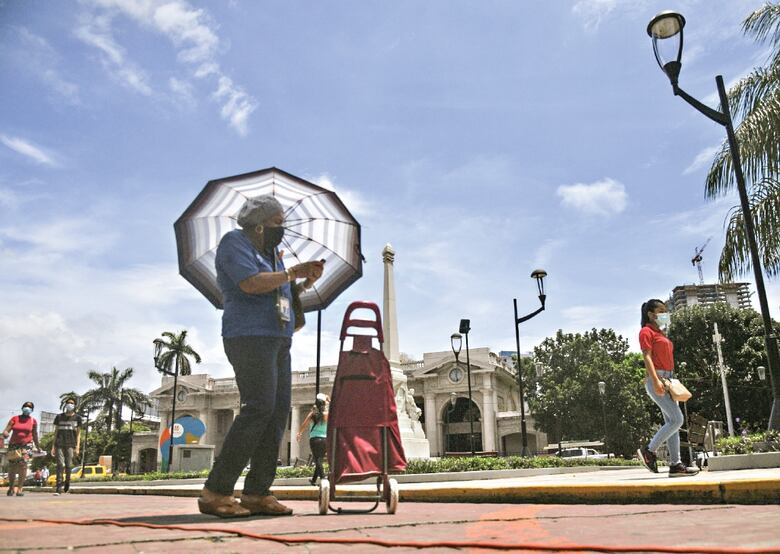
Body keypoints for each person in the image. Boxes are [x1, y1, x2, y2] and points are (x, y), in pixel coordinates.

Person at [198, 195, 324, 518]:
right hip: (249, 336)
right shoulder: (235, 243)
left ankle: (257, 491)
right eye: (277, 223)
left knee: (278, 413)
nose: (282, 229)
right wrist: (292, 272)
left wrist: (302, 284)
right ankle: (216, 490)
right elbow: (251, 284)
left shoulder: (273, 257)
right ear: (258, 224)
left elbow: (280, 293)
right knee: (258, 408)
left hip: (279, 339)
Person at [636, 299, 699, 477]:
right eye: (661, 311)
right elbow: (647, 357)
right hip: (657, 379)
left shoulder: (661, 333)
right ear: (651, 314)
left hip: (669, 380)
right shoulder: (646, 332)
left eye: (666, 310)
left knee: (672, 423)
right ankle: (649, 450)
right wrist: (656, 380)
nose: (665, 314)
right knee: (677, 420)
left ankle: (675, 465)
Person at [2, 402, 42, 496]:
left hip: (26, 445)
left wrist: (38, 446)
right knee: (12, 467)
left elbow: (35, 435)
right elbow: (6, 430)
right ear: (22, 407)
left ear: (32, 410)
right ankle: (11, 488)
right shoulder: (15, 419)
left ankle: (20, 489)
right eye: (26, 406)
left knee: (23, 465)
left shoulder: (33, 421)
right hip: (13, 445)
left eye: (30, 407)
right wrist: (5, 433)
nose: (27, 408)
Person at [51, 397, 83, 495]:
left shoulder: (78, 418)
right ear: (65, 405)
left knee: (68, 465)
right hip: (59, 443)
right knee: (60, 464)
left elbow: (78, 434)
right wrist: (53, 446)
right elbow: (56, 432)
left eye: (72, 403)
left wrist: (77, 447)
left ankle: (67, 482)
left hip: (71, 444)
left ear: (75, 405)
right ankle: (58, 487)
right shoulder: (59, 417)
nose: (70, 404)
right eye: (68, 403)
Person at [296, 393, 329, 486]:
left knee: (317, 459)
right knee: (319, 459)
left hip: (314, 439)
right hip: (325, 439)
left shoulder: (312, 414)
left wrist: (299, 433)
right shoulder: (327, 414)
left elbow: (304, 425)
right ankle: (314, 480)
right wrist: (328, 401)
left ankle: (323, 479)